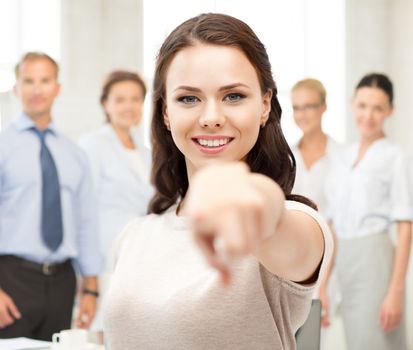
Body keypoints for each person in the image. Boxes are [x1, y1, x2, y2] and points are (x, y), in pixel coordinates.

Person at [102, 13, 333, 350]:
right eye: (188, 98)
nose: (211, 117)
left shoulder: (297, 222)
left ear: (265, 105)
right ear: (166, 112)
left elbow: (279, 230)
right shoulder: (135, 235)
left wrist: (256, 203)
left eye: (234, 96)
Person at [0, 52, 102, 341]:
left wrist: (91, 289)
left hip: (62, 282)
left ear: (57, 88)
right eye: (28, 80)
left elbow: (85, 222)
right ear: (16, 88)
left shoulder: (75, 154)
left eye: (45, 80)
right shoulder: (3, 146)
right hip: (10, 279)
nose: (37, 89)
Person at [324, 73, 412, 349]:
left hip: (375, 260)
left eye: (378, 108)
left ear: (390, 111)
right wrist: (323, 284)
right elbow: (333, 224)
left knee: (373, 341)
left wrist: (396, 291)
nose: (368, 115)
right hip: (342, 263)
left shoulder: (395, 157)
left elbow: (405, 224)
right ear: (352, 104)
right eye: (363, 106)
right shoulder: (341, 157)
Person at [79, 70, 152, 332]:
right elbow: (82, 213)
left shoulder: (147, 153)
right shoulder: (91, 146)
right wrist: (87, 277)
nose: (128, 106)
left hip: (142, 259)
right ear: (105, 104)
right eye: (120, 99)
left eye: (135, 99)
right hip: (105, 262)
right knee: (104, 333)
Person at [290, 78, 341, 338]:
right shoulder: (286, 158)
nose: (302, 114)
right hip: (291, 263)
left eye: (309, 106)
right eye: (296, 108)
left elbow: (337, 223)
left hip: (331, 264)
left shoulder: (341, 157)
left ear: (323, 107)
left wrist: (325, 281)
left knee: (324, 337)